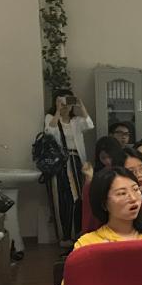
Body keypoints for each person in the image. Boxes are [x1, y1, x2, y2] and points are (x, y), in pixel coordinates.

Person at [63, 167, 142, 285]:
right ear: (104, 204)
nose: (133, 198)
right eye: (122, 193)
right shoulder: (88, 244)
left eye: (136, 190)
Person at [43, 89, 94, 242]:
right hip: (60, 164)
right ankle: (65, 236)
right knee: (63, 198)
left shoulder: (76, 120)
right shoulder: (51, 117)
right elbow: (49, 132)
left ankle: (78, 232)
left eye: (68, 101)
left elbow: (89, 125)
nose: (66, 105)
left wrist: (80, 104)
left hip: (77, 162)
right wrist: (58, 111)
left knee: (79, 197)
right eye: (62, 101)